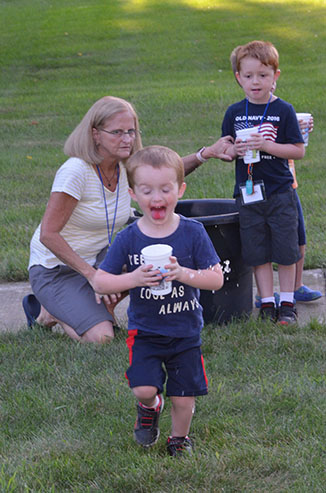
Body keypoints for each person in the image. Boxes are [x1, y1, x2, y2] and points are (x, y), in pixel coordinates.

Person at [23, 95, 232, 343]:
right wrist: (92, 277)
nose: (127, 139)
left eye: (131, 131)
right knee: (102, 338)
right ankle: (54, 307)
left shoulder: (125, 166)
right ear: (95, 134)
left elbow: (165, 174)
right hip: (55, 268)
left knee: (146, 260)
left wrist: (206, 154)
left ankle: (60, 311)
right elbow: (48, 234)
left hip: (98, 258)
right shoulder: (75, 172)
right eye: (117, 132)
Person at [92, 145, 224, 456]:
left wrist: (183, 273)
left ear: (181, 189)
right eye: (147, 190)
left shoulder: (192, 232)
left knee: (184, 395)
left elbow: (216, 278)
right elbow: (100, 281)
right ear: (133, 193)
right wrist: (133, 279)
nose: (157, 198)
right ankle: (150, 406)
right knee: (143, 387)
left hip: (185, 330)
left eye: (166, 189)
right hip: (146, 332)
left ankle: (179, 439)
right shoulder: (129, 238)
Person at [229, 46, 322, 307]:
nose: (255, 81)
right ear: (239, 77)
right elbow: (225, 147)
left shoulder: (283, 110)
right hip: (249, 191)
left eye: (262, 75)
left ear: (275, 76)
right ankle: (267, 300)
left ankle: (291, 295)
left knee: (290, 241)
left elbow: (297, 149)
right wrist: (231, 150)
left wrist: (266, 145)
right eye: (248, 76)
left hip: (281, 188)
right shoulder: (234, 112)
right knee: (257, 247)